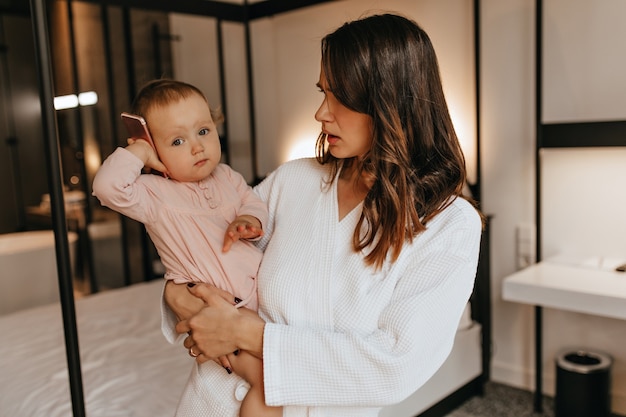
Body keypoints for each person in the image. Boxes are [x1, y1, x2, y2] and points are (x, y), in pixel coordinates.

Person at [163, 13, 483, 417]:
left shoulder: (448, 224)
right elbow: (204, 259)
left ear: (389, 103)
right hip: (209, 400)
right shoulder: (293, 181)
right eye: (322, 92)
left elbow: (395, 365)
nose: (320, 113)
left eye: (339, 97)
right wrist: (180, 298)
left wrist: (245, 333)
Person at [92, 79, 279, 417]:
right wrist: (139, 153)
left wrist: (250, 219)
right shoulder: (152, 195)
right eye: (177, 140)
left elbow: (254, 202)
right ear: (154, 150)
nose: (197, 147)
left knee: (285, 370)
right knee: (267, 385)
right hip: (223, 311)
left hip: (264, 303)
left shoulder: (227, 177)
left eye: (203, 131)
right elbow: (107, 187)